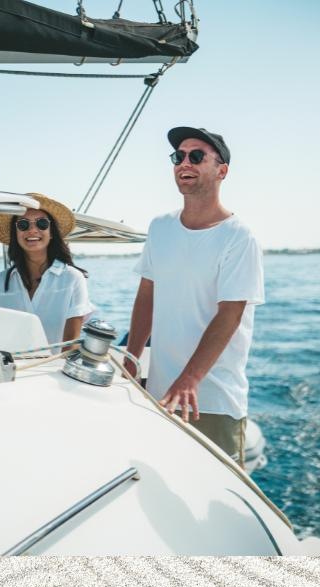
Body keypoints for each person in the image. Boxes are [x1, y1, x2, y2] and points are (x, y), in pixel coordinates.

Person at [123, 127, 264, 464]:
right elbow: (147, 296)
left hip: (210, 398)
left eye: (196, 156)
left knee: (216, 504)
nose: (184, 162)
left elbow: (229, 313)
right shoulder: (160, 228)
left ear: (222, 170)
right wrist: (131, 357)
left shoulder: (239, 237)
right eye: (178, 156)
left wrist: (189, 380)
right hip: (159, 394)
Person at [0, 194, 94, 345]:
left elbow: (71, 343)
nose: (32, 230)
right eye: (23, 224)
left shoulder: (72, 278)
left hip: (56, 367)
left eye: (41, 224)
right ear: (15, 233)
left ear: (51, 233)